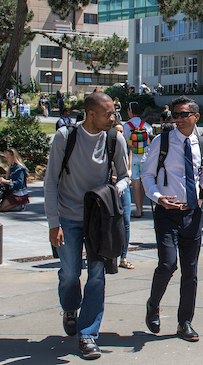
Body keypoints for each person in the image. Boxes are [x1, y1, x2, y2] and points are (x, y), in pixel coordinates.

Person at [44, 92, 130, 359]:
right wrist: (53, 223)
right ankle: (70, 307)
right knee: (70, 274)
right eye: (108, 113)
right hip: (68, 217)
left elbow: (126, 177)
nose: (113, 117)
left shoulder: (115, 139)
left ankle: (88, 335)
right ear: (91, 114)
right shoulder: (65, 137)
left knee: (96, 276)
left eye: (114, 112)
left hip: (99, 220)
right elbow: (50, 182)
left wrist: (114, 190)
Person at [141, 95, 203, 340]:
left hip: (192, 214)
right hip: (166, 212)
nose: (178, 119)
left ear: (196, 116)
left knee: (191, 272)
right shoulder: (162, 141)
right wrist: (157, 197)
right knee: (167, 263)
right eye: (175, 115)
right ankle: (153, 304)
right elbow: (147, 175)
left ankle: (184, 322)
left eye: (183, 115)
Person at [123, 101, 154, 218]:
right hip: (145, 158)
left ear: (130, 111)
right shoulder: (146, 125)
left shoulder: (126, 126)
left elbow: (126, 142)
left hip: (133, 158)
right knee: (142, 183)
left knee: (135, 183)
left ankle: (138, 209)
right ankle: (141, 207)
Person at [113, 121, 134, 270]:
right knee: (110, 222)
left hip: (124, 187)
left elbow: (129, 168)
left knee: (126, 221)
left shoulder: (127, 146)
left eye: (122, 131)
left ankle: (123, 256)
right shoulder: (107, 145)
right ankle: (110, 255)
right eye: (117, 131)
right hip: (110, 187)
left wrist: (128, 175)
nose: (120, 134)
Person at [0, 148, 30, 212]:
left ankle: (20, 204)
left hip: (19, 193)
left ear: (13, 157)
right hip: (11, 191)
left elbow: (19, 183)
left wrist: (5, 181)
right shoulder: (11, 167)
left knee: (3, 208)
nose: (6, 159)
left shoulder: (19, 169)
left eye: (8, 157)